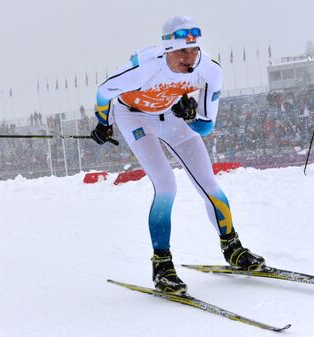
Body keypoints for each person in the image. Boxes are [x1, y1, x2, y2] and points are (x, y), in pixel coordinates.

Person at [90, 16, 265, 294]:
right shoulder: (143, 67)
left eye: (194, 49)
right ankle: (162, 265)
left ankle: (232, 247)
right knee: (166, 184)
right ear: (167, 50)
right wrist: (103, 122)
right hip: (134, 117)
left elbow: (205, 128)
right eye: (182, 50)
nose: (190, 57)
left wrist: (191, 114)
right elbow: (103, 92)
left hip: (170, 116)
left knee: (209, 183)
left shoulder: (209, 70)